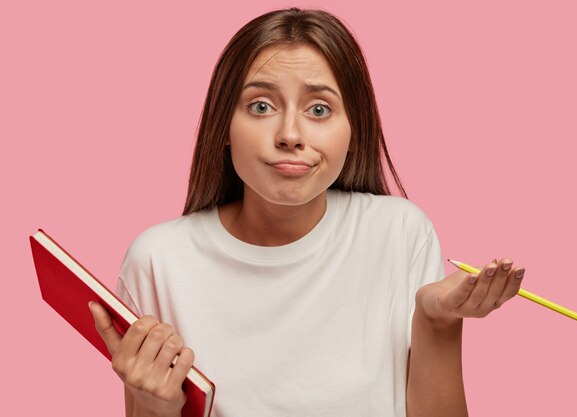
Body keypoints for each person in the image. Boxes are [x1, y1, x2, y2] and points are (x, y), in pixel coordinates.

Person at [89, 7, 525, 417]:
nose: (290, 134)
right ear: (224, 124)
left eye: (319, 109)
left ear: (354, 130)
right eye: (261, 106)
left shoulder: (399, 232)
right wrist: (156, 408)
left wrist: (437, 320)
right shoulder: (159, 261)